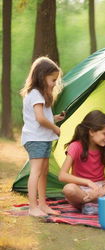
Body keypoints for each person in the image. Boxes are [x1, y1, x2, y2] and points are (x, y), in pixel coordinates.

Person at [58, 110, 105, 211]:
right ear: (92, 131)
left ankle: (92, 203)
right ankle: (97, 203)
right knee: (69, 189)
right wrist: (88, 182)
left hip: (102, 189)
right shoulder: (75, 146)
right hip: (82, 191)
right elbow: (62, 175)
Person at [20, 56, 65, 217]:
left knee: (43, 172)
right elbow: (39, 119)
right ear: (42, 75)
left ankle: (43, 204)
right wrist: (55, 128)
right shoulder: (36, 94)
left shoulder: (38, 95)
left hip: (42, 138)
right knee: (36, 171)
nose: (54, 83)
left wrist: (55, 118)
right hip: (35, 139)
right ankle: (33, 207)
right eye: (52, 80)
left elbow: (41, 117)